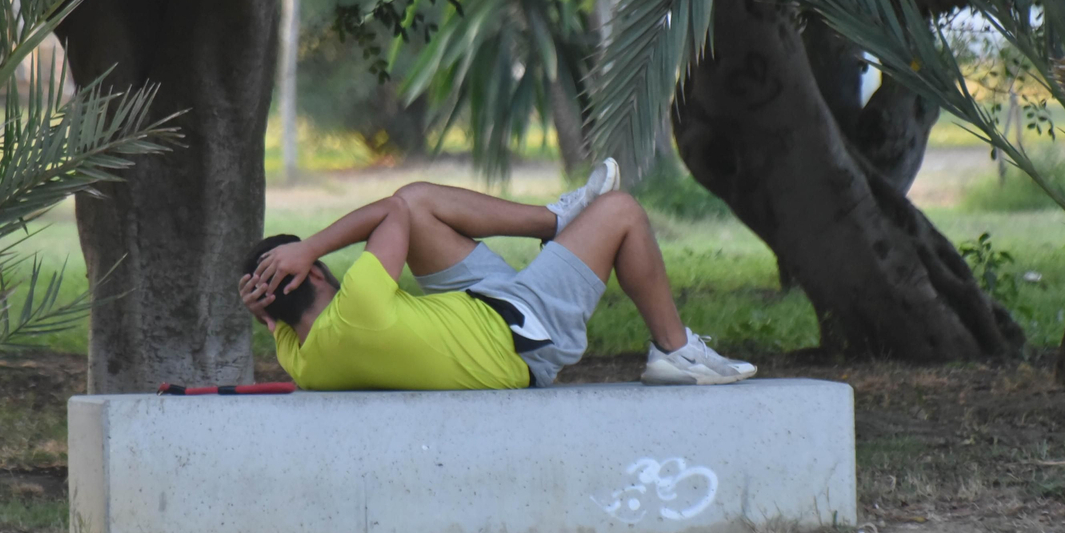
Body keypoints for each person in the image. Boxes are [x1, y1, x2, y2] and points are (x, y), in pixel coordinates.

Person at [238, 159, 757, 390]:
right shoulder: (357, 307)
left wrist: (266, 297)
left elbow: (277, 320)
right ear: (320, 277)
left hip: (475, 305)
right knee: (622, 211)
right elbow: (390, 213)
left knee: (419, 200)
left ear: (271, 311)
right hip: (524, 335)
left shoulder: (301, 360)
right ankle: (675, 351)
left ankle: (556, 220)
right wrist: (311, 244)